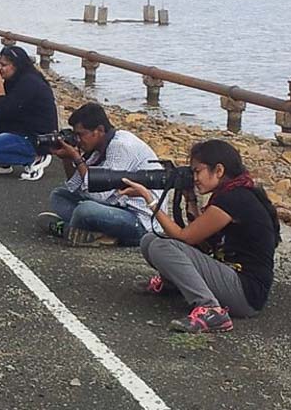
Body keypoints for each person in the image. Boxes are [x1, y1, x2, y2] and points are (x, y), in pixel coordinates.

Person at [118, 139, 281, 334]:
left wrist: (150, 199)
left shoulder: (234, 199)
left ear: (219, 170)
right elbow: (203, 244)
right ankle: (173, 284)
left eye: (198, 171)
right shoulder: (231, 194)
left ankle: (211, 309)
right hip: (231, 277)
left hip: (246, 293)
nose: (194, 178)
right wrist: (190, 200)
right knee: (150, 240)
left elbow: (186, 238)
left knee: (162, 246)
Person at [36, 102, 161, 246]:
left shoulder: (120, 146)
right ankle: (95, 233)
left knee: (85, 209)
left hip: (140, 221)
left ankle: (69, 230)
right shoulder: (98, 147)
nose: (78, 140)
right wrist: (67, 158)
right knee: (58, 195)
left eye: (80, 134)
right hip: (115, 207)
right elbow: (74, 186)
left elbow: (98, 194)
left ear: (99, 130)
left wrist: (77, 158)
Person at [0, 45, 57, 181]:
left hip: (36, 138)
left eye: (4, 65)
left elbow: (5, 110)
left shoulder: (30, 82)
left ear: (16, 66)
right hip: (19, 127)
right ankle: (2, 162)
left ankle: (37, 157)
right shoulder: (14, 78)